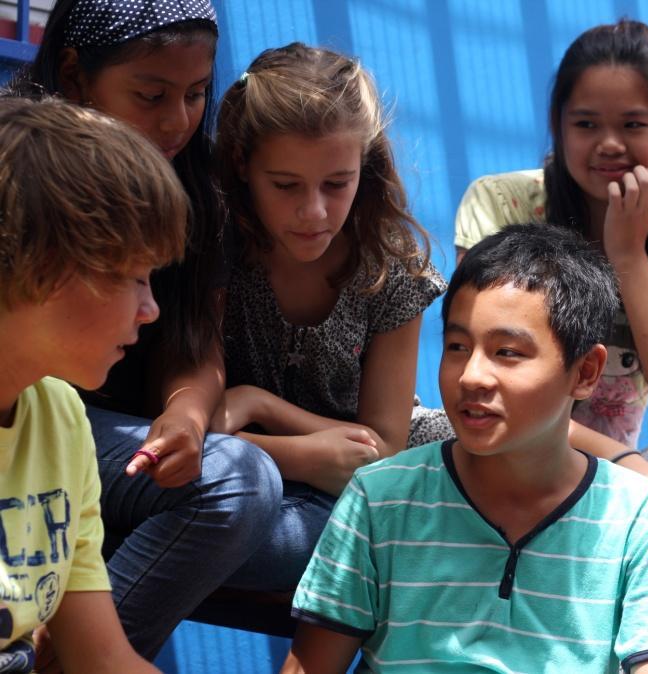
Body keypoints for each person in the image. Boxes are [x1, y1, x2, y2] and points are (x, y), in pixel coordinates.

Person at [453, 19, 648, 673]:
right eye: (585, 123)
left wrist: (627, 254)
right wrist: (629, 462)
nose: (608, 144)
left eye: (633, 124)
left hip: (612, 469)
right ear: (558, 127)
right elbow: (487, 371)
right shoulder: (501, 204)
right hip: (504, 446)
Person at [283, 224, 648, 674]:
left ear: (585, 372)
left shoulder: (642, 521)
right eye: (457, 346)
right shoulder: (379, 498)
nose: (471, 376)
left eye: (507, 352)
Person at [6, 0, 283, 658]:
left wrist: (188, 414)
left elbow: (108, 660)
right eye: (152, 94)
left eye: (195, 95)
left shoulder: (58, 424)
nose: (179, 119)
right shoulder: (24, 165)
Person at [209, 43, 447, 591]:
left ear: (364, 165)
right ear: (244, 164)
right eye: (286, 185)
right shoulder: (217, 248)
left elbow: (383, 448)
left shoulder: (391, 270)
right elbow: (193, 429)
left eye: (337, 184)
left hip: (374, 462)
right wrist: (301, 457)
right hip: (254, 467)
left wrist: (260, 403)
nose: (314, 211)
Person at [0, 97, 187, 672]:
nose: (151, 309)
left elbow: (103, 659)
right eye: (135, 277)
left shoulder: (60, 418)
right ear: (45, 266)